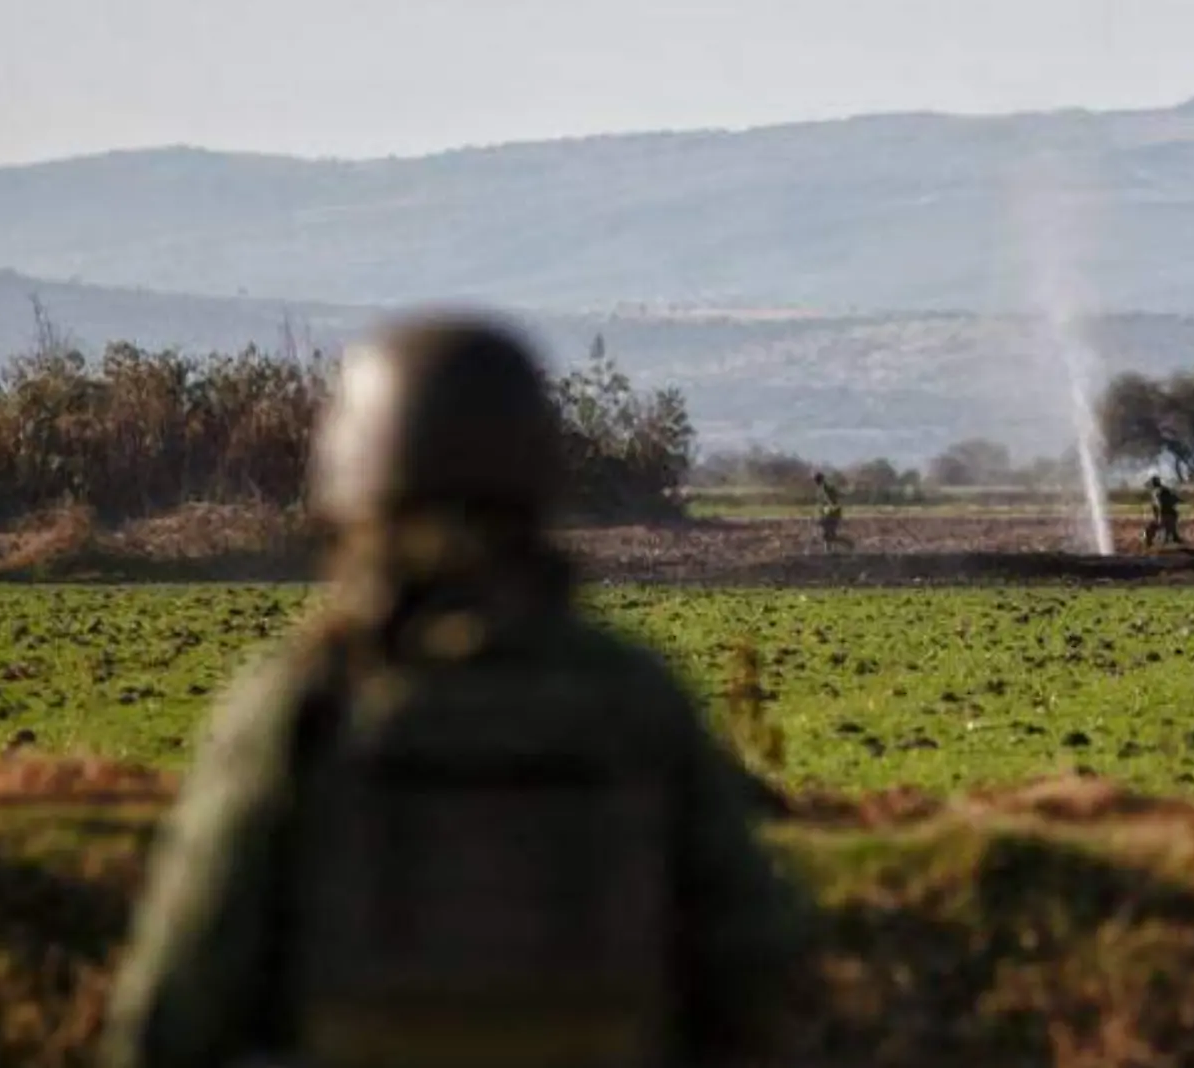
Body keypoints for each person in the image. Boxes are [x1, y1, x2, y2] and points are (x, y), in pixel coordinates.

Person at [103, 315, 808, 1068]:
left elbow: (177, 1003)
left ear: (353, 493)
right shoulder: (632, 693)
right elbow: (757, 973)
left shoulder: (305, 696)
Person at [1143, 475, 1183, 548]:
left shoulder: (1156, 492)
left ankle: (1151, 544)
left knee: (1151, 528)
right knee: (1170, 529)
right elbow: (1176, 499)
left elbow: (1158, 504)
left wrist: (1159, 517)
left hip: (1164, 514)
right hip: (1172, 514)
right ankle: (1174, 538)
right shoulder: (1166, 490)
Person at [814, 471, 847, 550]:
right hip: (831, 513)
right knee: (829, 533)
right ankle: (831, 551)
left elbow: (829, 500)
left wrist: (829, 507)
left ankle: (832, 550)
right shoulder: (825, 488)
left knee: (828, 534)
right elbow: (837, 495)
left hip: (831, 513)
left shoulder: (825, 488)